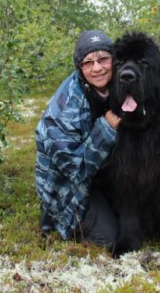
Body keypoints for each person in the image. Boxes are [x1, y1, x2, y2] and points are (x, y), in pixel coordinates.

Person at [35, 30, 121, 247]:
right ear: (80, 68)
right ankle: (53, 216)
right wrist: (106, 129)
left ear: (114, 60)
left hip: (103, 174)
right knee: (108, 238)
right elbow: (76, 171)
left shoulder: (121, 84)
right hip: (69, 187)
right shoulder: (64, 110)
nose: (97, 68)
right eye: (88, 62)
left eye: (103, 59)